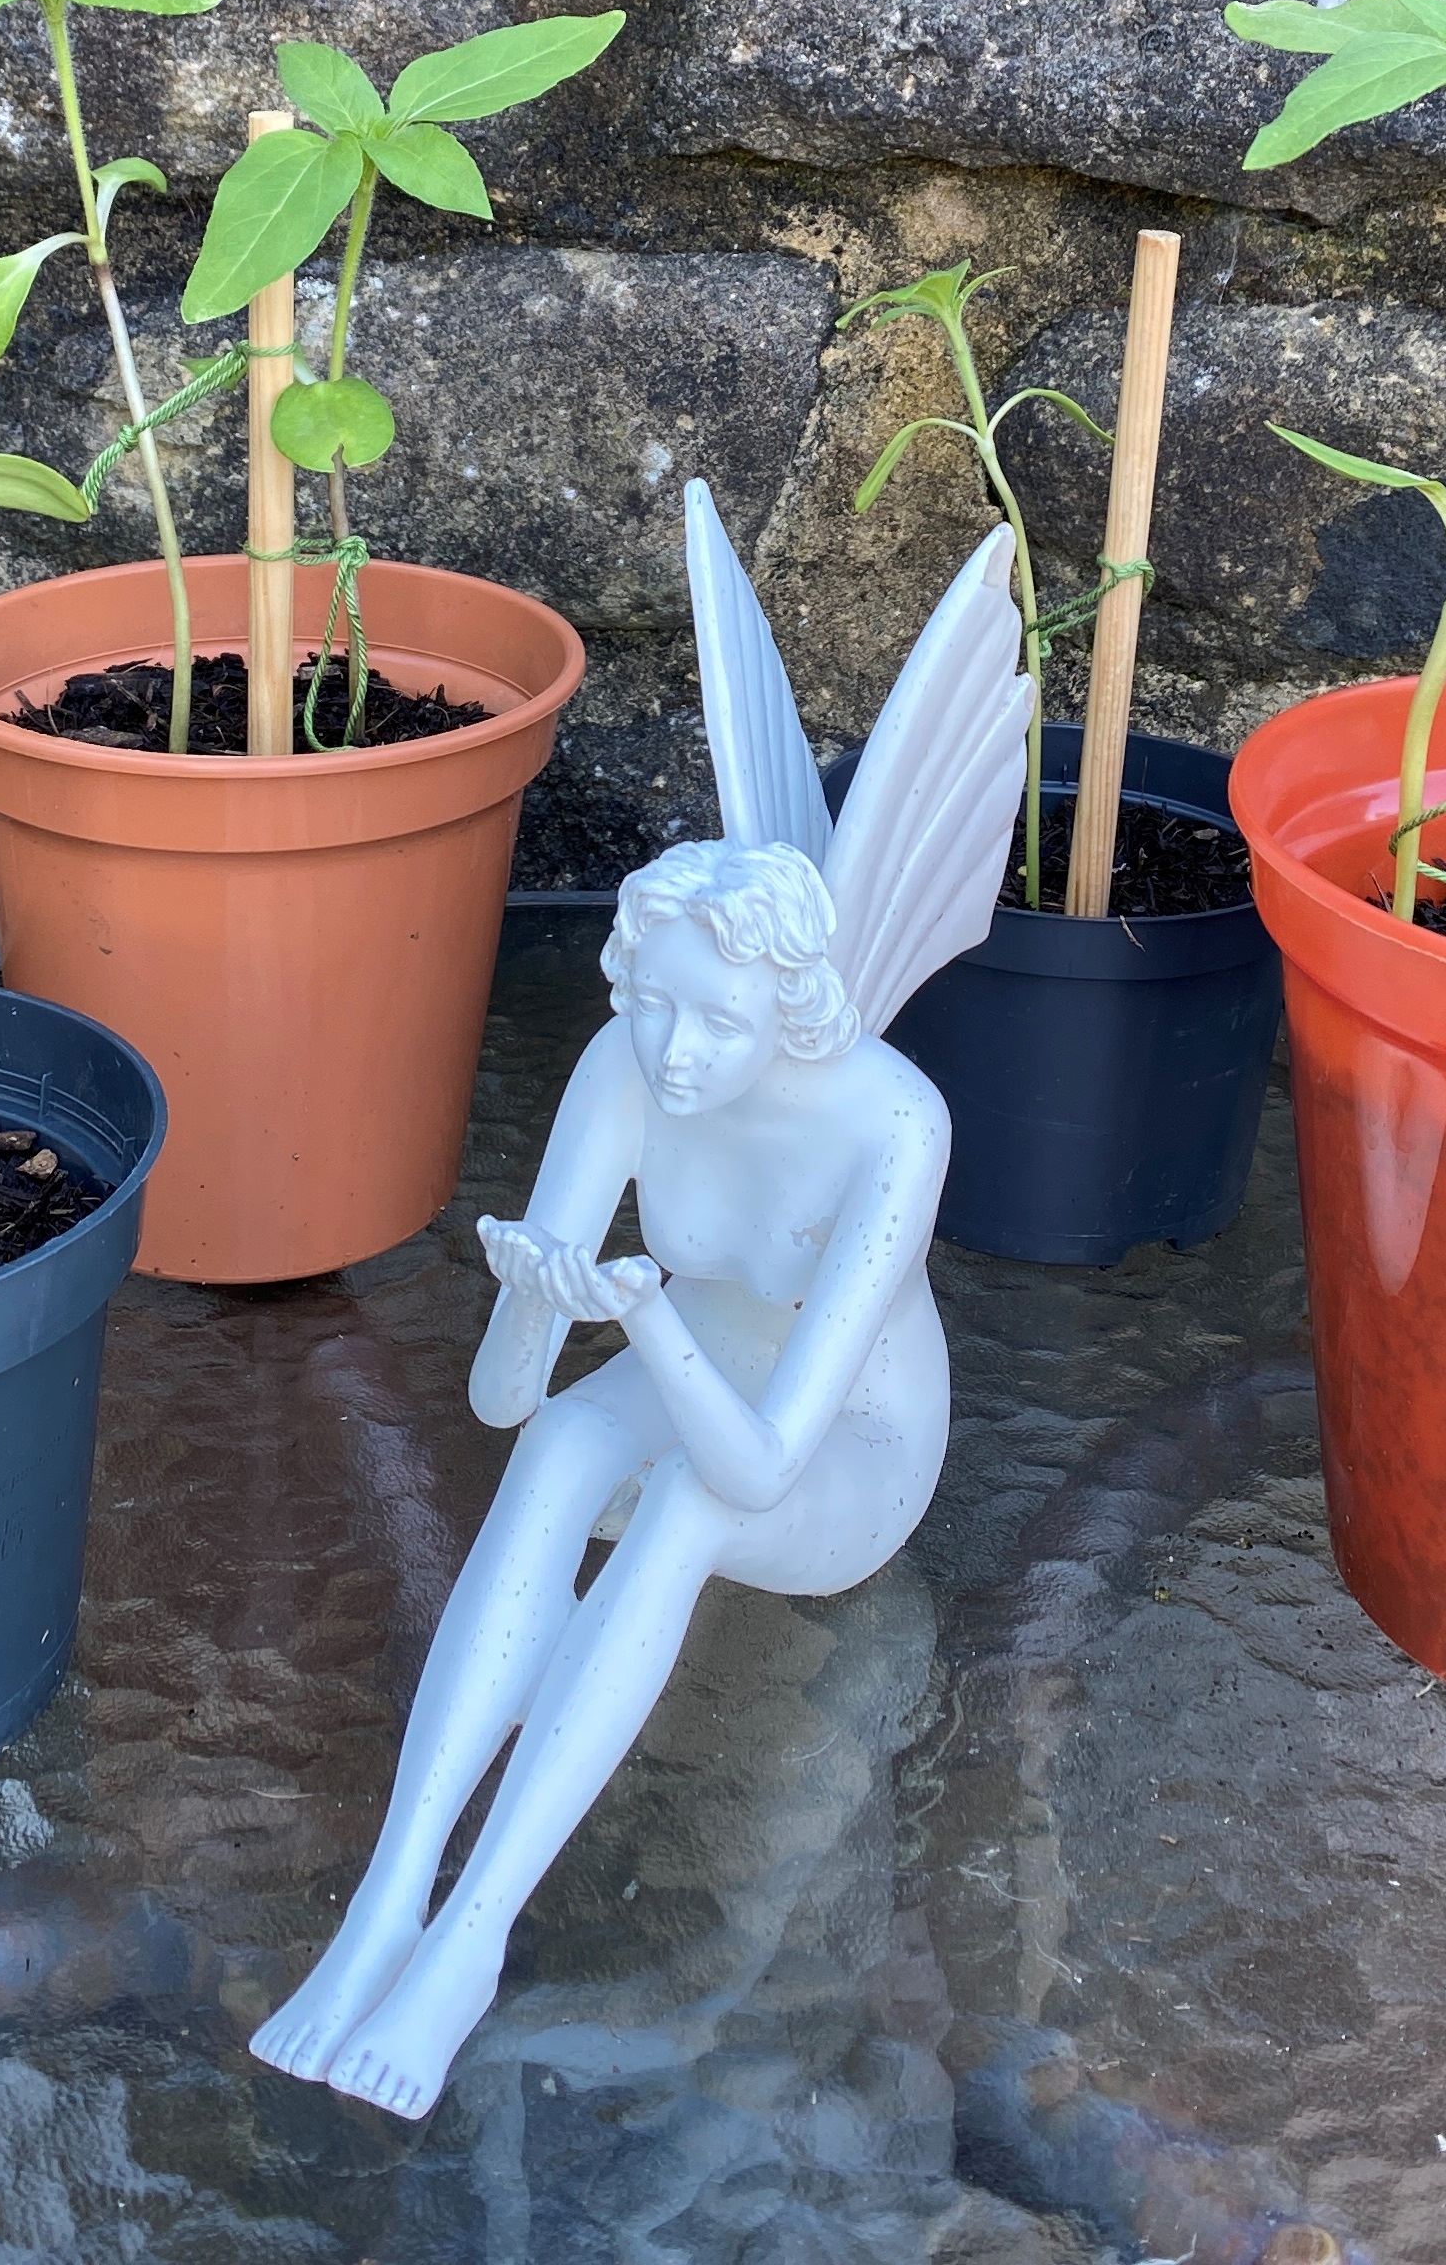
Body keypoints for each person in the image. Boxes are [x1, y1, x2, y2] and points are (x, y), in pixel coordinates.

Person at [248, 836, 955, 2122]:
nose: (674, 1049)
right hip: (686, 1360)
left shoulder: (895, 1124)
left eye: (716, 1019)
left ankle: (473, 1934)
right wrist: (535, 1299)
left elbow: (758, 1463)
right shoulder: (627, 1062)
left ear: (788, 1009)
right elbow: (504, 1404)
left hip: (846, 1440)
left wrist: (641, 1321)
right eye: (652, 1001)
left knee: (682, 1502)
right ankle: (388, 1900)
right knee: (567, 1445)